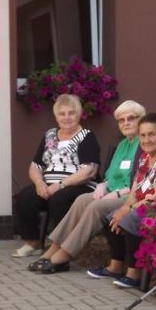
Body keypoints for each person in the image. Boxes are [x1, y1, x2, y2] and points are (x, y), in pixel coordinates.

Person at [26, 100, 146, 274]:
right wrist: (103, 185)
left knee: (96, 206)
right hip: (112, 192)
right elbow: (110, 174)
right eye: (121, 120)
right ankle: (54, 247)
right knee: (82, 200)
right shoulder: (123, 145)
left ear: (141, 120)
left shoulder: (143, 145)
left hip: (131, 196)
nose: (126, 123)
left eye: (131, 118)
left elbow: (140, 181)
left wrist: (118, 193)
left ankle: (65, 254)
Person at [90, 113, 156, 289]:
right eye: (143, 135)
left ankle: (134, 274)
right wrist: (124, 208)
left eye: (151, 134)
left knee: (129, 219)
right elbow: (134, 192)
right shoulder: (144, 157)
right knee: (111, 216)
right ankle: (115, 267)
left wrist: (127, 211)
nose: (146, 140)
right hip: (151, 203)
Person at [12, 94, 100, 258]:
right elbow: (36, 166)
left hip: (78, 185)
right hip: (49, 184)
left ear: (79, 115)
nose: (66, 117)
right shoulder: (50, 135)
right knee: (25, 197)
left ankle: (61, 246)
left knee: (59, 199)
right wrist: (39, 183)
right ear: (56, 116)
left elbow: (89, 170)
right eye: (62, 114)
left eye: (71, 113)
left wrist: (60, 185)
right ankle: (33, 243)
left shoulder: (86, 136)